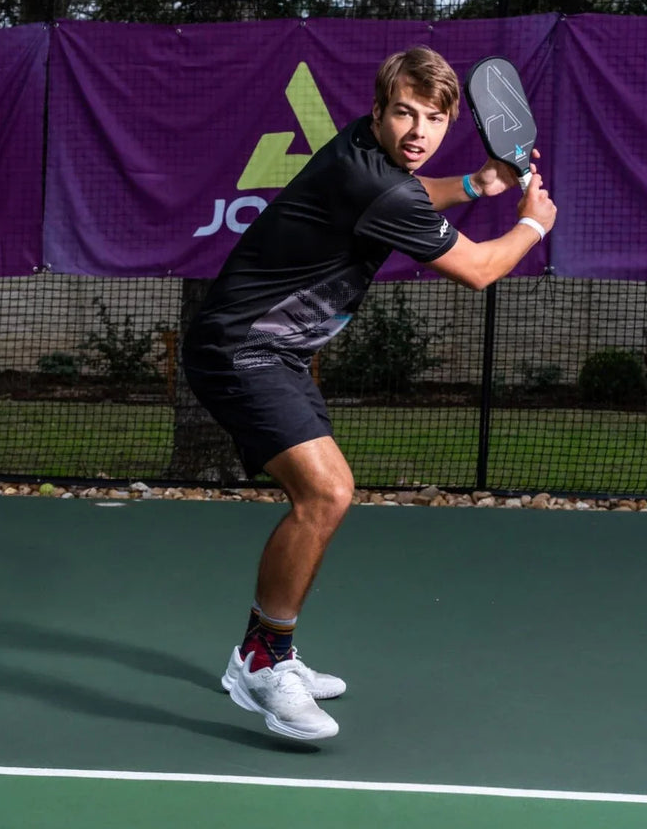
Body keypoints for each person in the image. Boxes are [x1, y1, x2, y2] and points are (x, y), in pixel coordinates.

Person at [181, 46, 557, 741]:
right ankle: (260, 663)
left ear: (450, 121)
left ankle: (272, 648)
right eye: (405, 114)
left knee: (323, 497)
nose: (419, 131)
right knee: (326, 492)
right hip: (242, 348)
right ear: (378, 111)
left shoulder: (370, 159)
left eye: (435, 118)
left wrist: (476, 186)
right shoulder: (377, 185)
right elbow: (476, 269)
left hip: (278, 348)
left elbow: (418, 196)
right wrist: (532, 223)